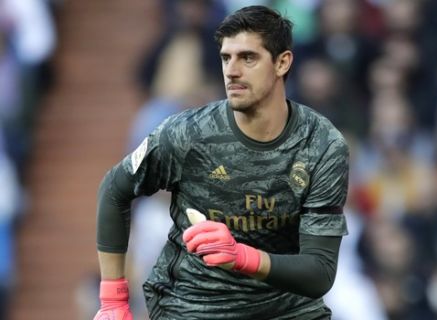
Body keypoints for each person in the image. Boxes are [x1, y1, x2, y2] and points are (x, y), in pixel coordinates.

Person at [94, 5, 349, 320]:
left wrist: (241, 256)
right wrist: (113, 301)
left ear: (282, 62)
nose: (232, 70)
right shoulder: (184, 130)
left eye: (248, 58)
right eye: (227, 58)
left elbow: (320, 272)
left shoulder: (322, 144)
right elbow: (113, 189)